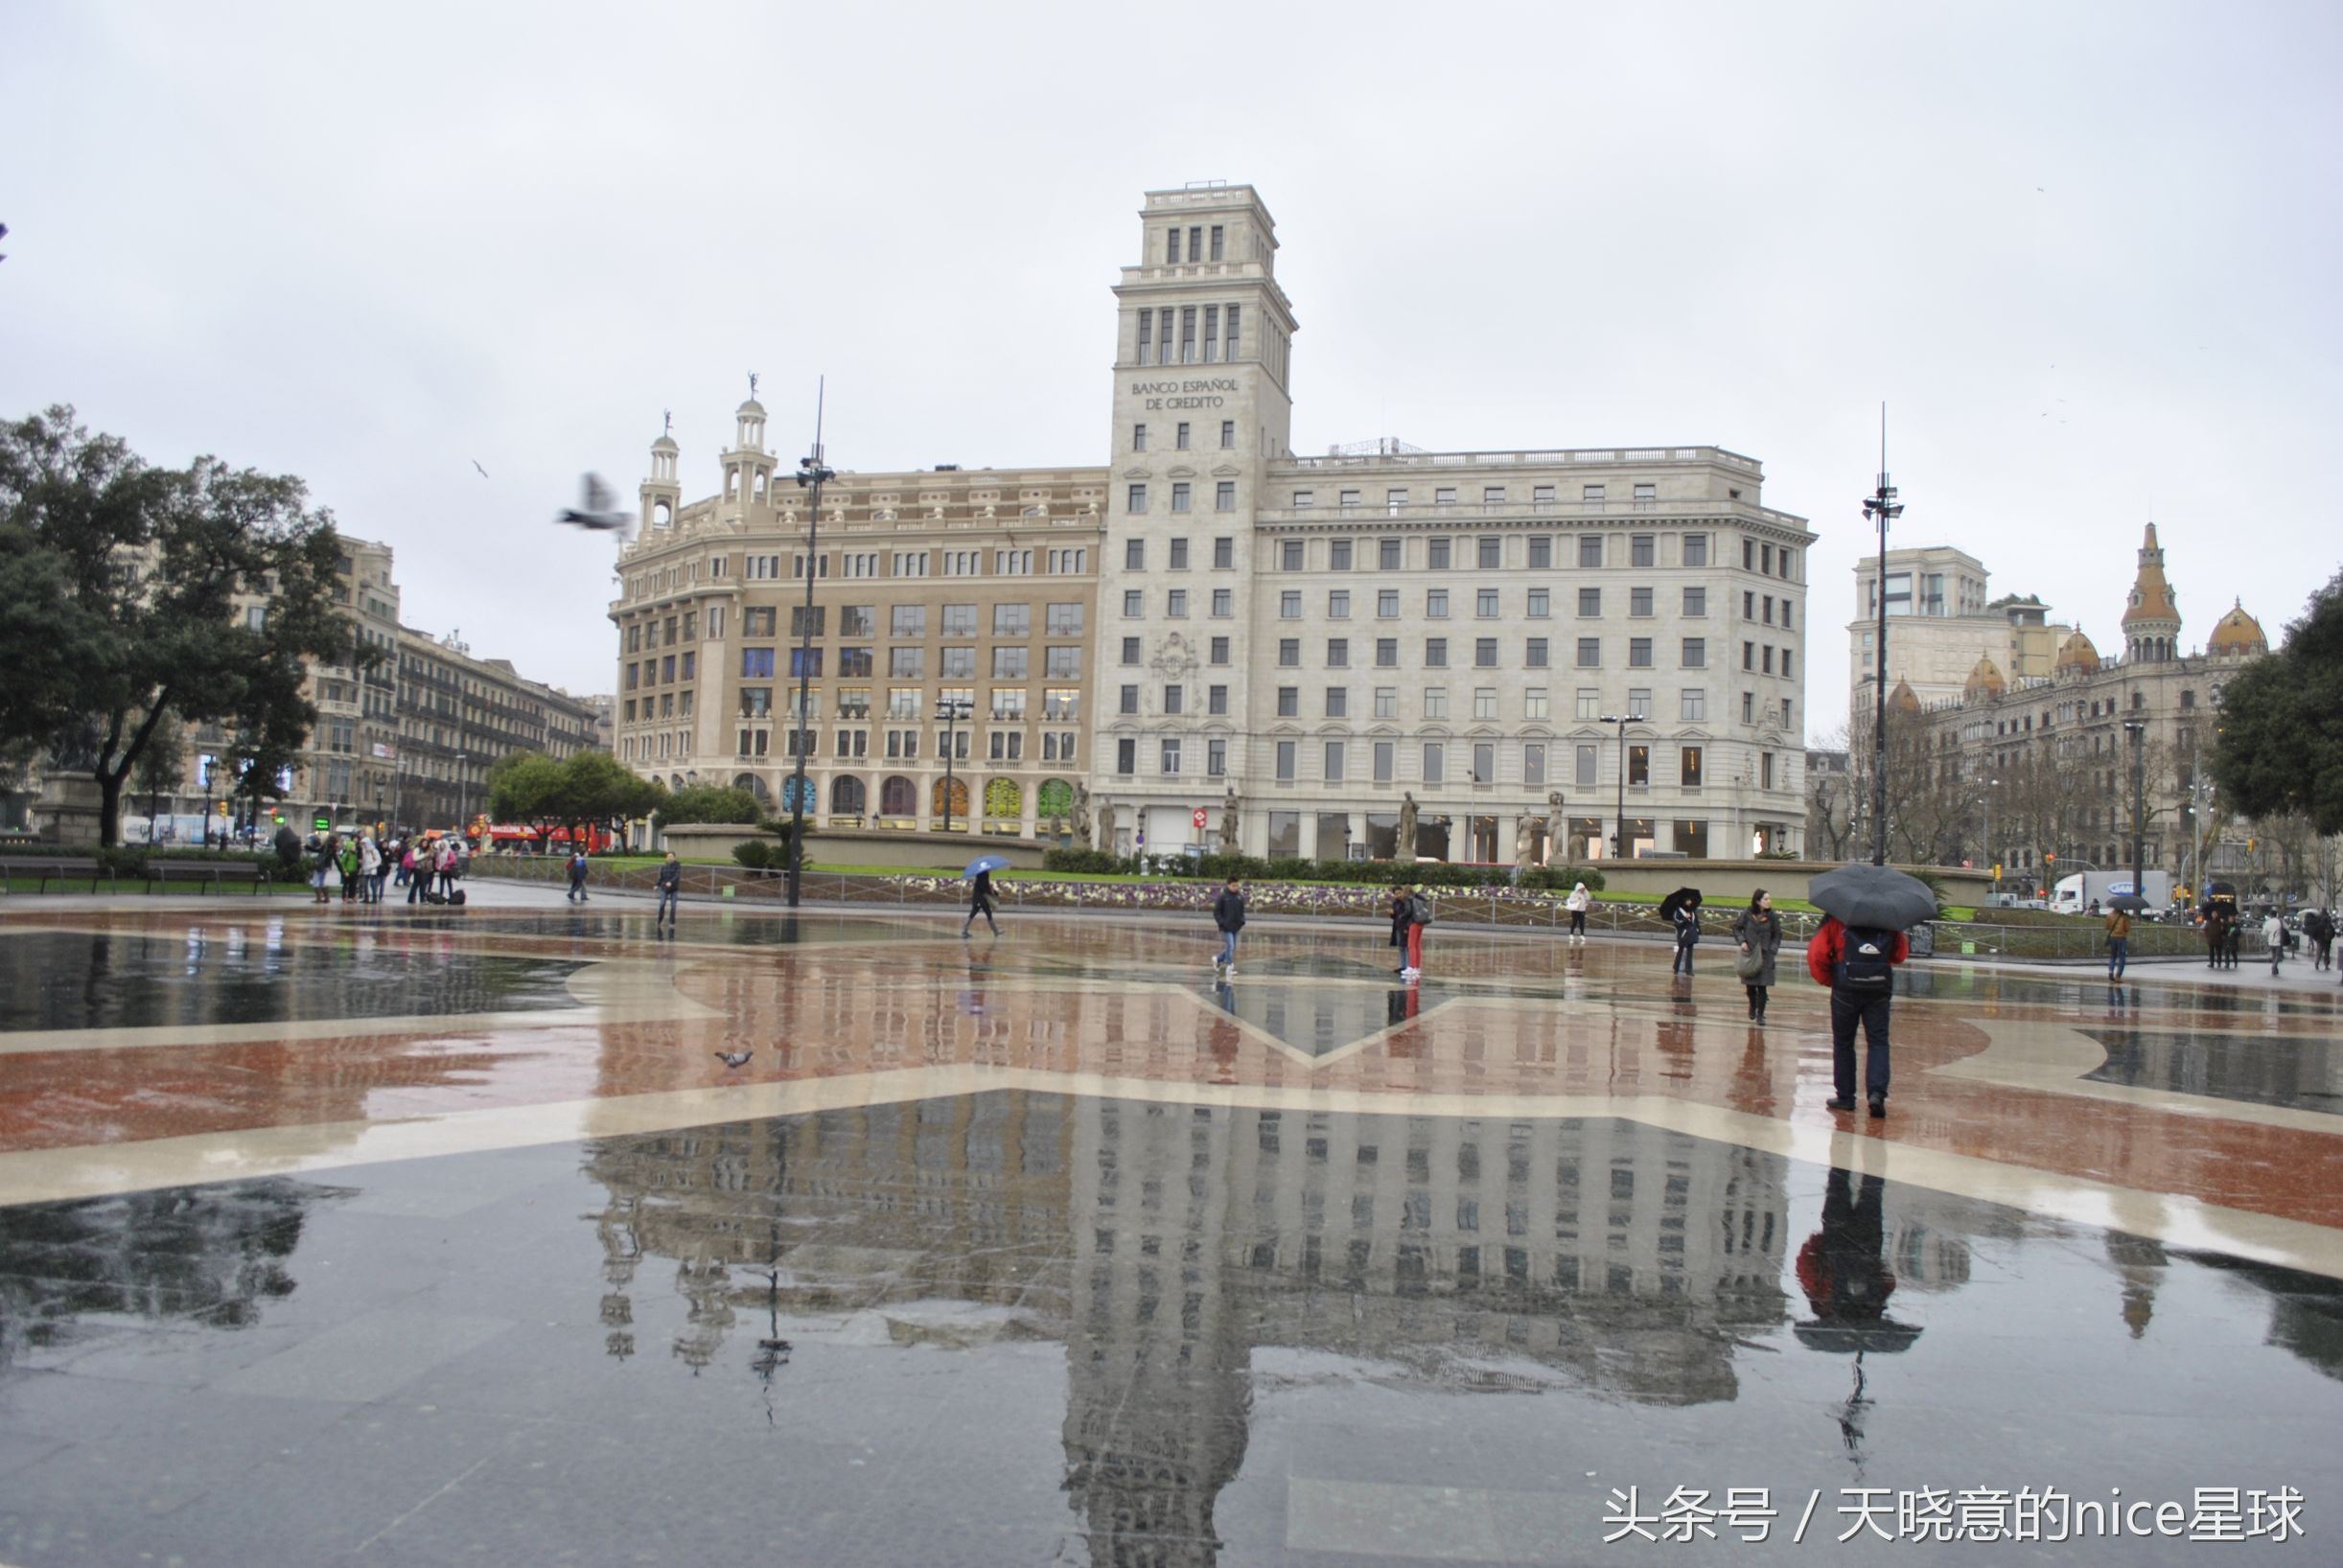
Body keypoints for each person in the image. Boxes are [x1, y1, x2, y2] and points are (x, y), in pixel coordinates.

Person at [1808, 913, 1911, 1118]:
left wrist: (1831, 980)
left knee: (1844, 1043)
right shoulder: (1888, 920)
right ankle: (1876, 1094)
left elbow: (1817, 954)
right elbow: (1900, 954)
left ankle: (1846, 1097)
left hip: (1845, 986)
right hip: (1879, 986)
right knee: (1878, 1041)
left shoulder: (1836, 918)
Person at [1732, 890, 1783, 1024]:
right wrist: (1742, 941)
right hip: (1750, 954)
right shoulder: (1747, 913)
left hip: (1766, 955)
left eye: (1769, 899)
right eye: (1766, 899)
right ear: (1758, 901)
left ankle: (1760, 1015)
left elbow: (1777, 934)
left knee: (1762, 986)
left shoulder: (1772, 916)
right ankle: (1752, 1006)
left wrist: (1773, 949)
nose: (1769, 901)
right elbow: (1737, 928)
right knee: (1750, 987)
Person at [1212, 877, 1246, 975]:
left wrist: (1242, 921)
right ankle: (1230, 966)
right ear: (1228, 885)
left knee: (1232, 947)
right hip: (1226, 927)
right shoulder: (1223, 897)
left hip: (1235, 926)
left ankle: (1218, 959)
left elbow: (1241, 911)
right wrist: (1222, 922)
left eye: (1237, 885)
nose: (1235, 887)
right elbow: (1216, 912)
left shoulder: (1239, 897)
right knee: (1230, 946)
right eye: (1233, 885)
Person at [1401, 884, 1431, 980]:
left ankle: (1412, 967)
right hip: (1421, 922)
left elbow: (1408, 911)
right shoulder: (1418, 898)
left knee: (1411, 945)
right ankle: (1417, 967)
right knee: (1417, 945)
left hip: (1413, 923)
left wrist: (1402, 916)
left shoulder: (1408, 899)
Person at [963, 865, 999, 937]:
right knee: (987, 913)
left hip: (977, 898)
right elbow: (985, 887)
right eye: (989, 868)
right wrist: (994, 893)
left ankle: (964, 930)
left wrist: (993, 892)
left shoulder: (981, 874)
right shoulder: (984, 875)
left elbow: (985, 887)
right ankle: (996, 931)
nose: (990, 869)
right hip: (981, 899)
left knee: (974, 913)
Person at [1670, 895, 1702, 977]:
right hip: (1683, 933)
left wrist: (1698, 929)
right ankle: (1676, 968)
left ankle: (1689, 970)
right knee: (1680, 950)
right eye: (1688, 900)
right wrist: (1685, 919)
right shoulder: (1678, 911)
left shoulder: (1692, 910)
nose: (1690, 902)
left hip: (1692, 933)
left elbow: (1696, 921)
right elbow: (1677, 923)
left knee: (1690, 951)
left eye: (1690, 900)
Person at [655, 851, 683, 931]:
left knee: (673, 906)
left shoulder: (677, 866)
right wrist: (657, 885)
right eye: (668, 856)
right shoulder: (664, 866)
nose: (670, 858)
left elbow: (677, 876)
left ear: (674, 858)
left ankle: (672, 922)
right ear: (666, 858)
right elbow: (661, 877)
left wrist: (671, 882)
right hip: (665, 888)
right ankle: (659, 921)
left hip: (674, 888)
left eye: (671, 856)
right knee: (662, 904)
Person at [1387, 887, 1413, 974]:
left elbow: (1409, 915)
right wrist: (1392, 914)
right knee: (1401, 947)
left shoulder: (1406, 902)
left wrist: (1407, 927)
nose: (1398, 895)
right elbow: (1395, 916)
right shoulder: (1395, 903)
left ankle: (1408, 966)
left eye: (1399, 893)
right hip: (1397, 927)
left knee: (1406, 947)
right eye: (1396, 894)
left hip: (1405, 927)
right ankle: (1402, 966)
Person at [2104, 906, 2132, 981]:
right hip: (2121, 938)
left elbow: (2107, 927)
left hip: (2113, 938)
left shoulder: (2109, 915)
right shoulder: (2125, 917)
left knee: (2112, 956)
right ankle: (2118, 976)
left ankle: (2110, 972)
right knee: (2122, 957)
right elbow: (2127, 928)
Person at [1565, 882, 1591, 946]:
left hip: (1582, 910)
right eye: (1581, 888)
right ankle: (1571, 934)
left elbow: (1588, 898)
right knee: (1574, 922)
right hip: (1575, 910)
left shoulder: (1584, 894)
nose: (1582, 890)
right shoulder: (1573, 893)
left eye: (1583, 888)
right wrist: (1577, 899)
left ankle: (1582, 935)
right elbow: (1571, 900)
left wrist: (1586, 891)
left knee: (1582, 922)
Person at [358, 834, 382, 905]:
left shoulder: (374, 851)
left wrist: (371, 866)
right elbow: (364, 860)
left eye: (364, 844)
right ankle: (366, 898)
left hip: (372, 870)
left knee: (372, 884)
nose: (363, 846)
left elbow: (378, 860)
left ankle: (374, 898)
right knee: (365, 884)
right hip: (365, 870)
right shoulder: (364, 851)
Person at [2265, 910, 2285, 975]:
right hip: (2278, 941)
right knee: (2278, 955)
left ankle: (2274, 970)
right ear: (2276, 915)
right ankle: (2274, 966)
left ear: (2270, 915)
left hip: (2271, 941)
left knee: (2273, 955)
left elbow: (2264, 932)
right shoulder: (2279, 921)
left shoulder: (2268, 922)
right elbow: (2287, 928)